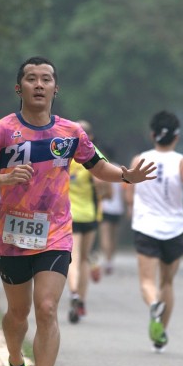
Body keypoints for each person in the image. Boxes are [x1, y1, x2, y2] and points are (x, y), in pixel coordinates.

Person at [0, 56, 156, 366]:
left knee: (47, 307)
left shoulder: (70, 132)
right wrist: (4, 178)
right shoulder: (2, 130)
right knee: (18, 314)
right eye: (31, 79)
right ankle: (16, 361)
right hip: (13, 235)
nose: (39, 85)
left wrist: (126, 176)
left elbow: (98, 166)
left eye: (46, 79)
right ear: (19, 88)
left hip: (55, 233)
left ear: (56, 88)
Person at [126, 110, 183, 353]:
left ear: (152, 135)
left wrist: (132, 208)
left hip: (146, 226)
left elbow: (128, 189)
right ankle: (160, 335)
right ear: (177, 137)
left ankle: (153, 304)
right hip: (174, 229)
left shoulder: (139, 160)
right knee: (168, 282)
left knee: (147, 281)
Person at [67, 119, 112, 323]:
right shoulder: (94, 158)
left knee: (73, 257)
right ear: (90, 137)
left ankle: (74, 293)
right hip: (90, 216)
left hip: (68, 215)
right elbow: (105, 188)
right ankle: (82, 301)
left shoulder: (65, 157)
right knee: (84, 259)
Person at [99, 176, 127, 275]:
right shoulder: (121, 172)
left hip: (105, 207)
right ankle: (110, 260)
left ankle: (107, 259)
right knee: (114, 236)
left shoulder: (103, 171)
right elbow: (124, 192)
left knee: (105, 235)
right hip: (117, 208)